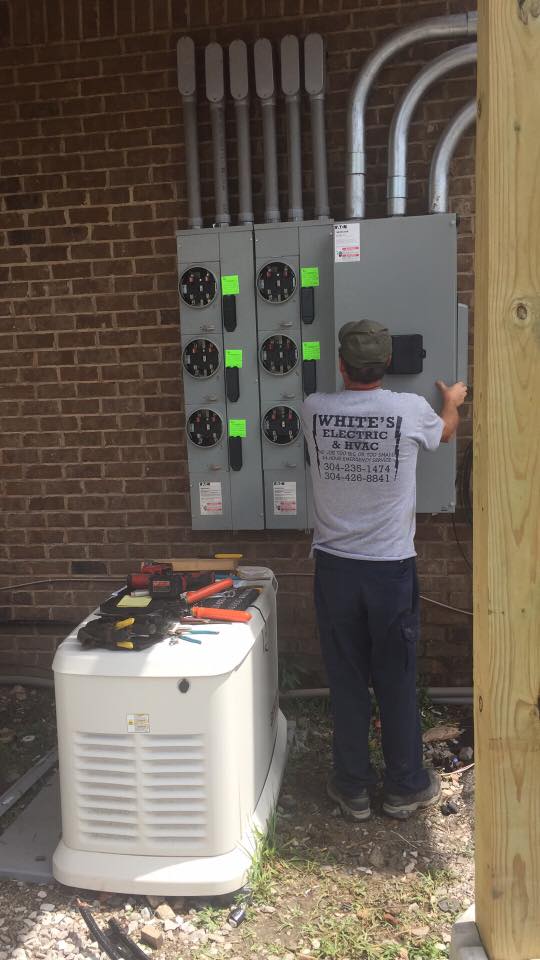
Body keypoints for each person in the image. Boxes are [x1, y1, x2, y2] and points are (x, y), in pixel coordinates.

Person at [301, 319, 467, 821]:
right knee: (395, 678)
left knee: (348, 679)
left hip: (335, 570)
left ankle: (352, 787)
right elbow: (444, 432)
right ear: (388, 364)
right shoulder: (410, 409)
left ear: (341, 365)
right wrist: (453, 401)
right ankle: (404, 787)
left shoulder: (314, 410)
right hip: (389, 571)